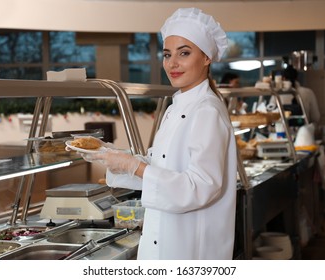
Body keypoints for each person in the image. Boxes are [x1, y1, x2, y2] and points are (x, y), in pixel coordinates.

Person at [80, 7, 237, 260]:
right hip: (164, 237)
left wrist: (133, 166)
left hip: (189, 247)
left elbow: (200, 187)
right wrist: (111, 155)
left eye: (184, 53)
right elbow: (162, 168)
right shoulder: (176, 107)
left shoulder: (207, 111)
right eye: (167, 54)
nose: (172, 64)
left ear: (207, 57)